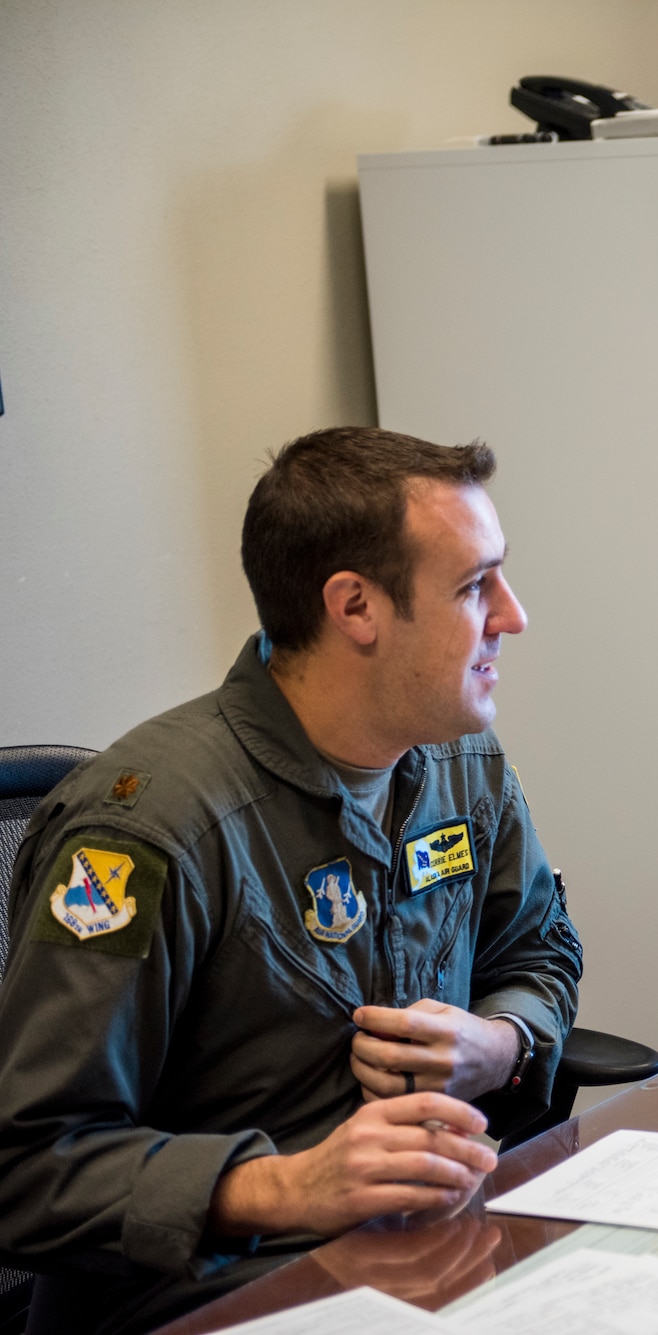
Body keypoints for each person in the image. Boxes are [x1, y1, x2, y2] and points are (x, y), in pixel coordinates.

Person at [0, 427, 583, 1335]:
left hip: (428, 1256)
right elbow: (27, 1165)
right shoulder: (149, 830)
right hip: (215, 1298)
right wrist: (282, 1184)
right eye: (474, 586)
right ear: (355, 607)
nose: (512, 614)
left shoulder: (460, 761)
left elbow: (541, 948)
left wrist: (500, 1042)